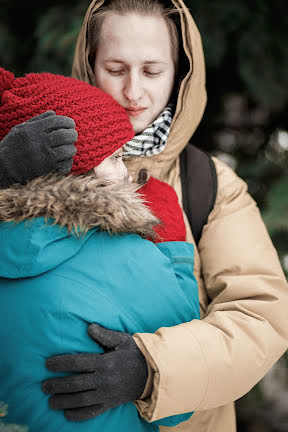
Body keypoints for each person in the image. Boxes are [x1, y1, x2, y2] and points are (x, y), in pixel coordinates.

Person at [0, 1, 287, 431]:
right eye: (116, 69)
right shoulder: (22, 152)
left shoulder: (207, 182)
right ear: (89, 65)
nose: (134, 91)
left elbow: (260, 315)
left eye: (153, 71)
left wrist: (153, 368)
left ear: (181, 74)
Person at [0, 68, 201, 431]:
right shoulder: (131, 259)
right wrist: (175, 253)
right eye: (115, 157)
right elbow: (182, 405)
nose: (126, 174)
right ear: (73, 169)